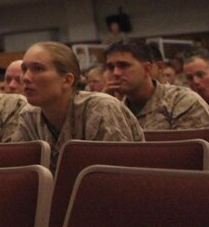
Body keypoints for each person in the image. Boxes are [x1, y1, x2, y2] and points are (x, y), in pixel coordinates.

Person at [11, 42, 144, 169]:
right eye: (24, 69)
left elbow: (120, 177)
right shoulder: (28, 115)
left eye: (38, 69)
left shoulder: (102, 109)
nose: (26, 77)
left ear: (67, 80)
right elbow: (21, 172)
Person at [103, 42, 209, 131]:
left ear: (147, 69)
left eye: (124, 65)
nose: (116, 73)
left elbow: (190, 153)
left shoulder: (182, 101)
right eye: (110, 67)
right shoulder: (114, 110)